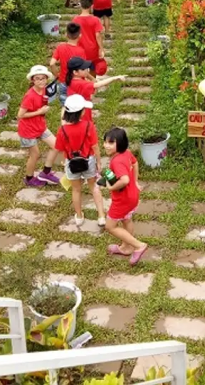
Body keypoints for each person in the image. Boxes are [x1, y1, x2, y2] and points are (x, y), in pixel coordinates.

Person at [56, 94, 106, 226]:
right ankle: (101, 216)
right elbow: (95, 146)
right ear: (82, 112)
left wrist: (64, 160)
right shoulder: (89, 126)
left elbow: (61, 148)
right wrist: (99, 162)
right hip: (88, 160)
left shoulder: (62, 130)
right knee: (93, 186)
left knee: (76, 189)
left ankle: (79, 216)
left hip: (71, 162)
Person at [102, 127, 149, 265]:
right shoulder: (127, 153)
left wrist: (111, 186)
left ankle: (139, 245)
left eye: (111, 143)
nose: (106, 145)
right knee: (126, 220)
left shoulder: (116, 161)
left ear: (120, 143)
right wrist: (136, 181)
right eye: (105, 142)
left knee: (110, 226)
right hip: (132, 196)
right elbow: (135, 163)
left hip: (122, 200)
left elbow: (124, 180)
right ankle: (126, 248)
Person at [17, 65, 61, 186]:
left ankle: (45, 172)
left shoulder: (43, 90)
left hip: (40, 126)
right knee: (35, 155)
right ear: (32, 80)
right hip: (28, 130)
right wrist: (39, 112)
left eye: (43, 78)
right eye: (37, 79)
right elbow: (20, 115)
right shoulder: (29, 96)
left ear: (47, 79)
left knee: (56, 145)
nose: (41, 81)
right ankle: (29, 179)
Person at [65, 56, 126, 122]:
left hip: (79, 109)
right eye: (83, 69)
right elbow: (98, 85)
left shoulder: (72, 79)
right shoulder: (80, 83)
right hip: (82, 111)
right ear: (75, 72)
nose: (87, 70)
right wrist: (115, 78)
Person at [50, 23, 86, 106]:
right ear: (79, 35)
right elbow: (84, 70)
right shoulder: (81, 51)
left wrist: (57, 76)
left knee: (65, 107)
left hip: (63, 81)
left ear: (66, 34)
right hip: (77, 83)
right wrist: (91, 79)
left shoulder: (60, 47)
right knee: (77, 107)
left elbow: (52, 64)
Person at [72, 0, 105, 64]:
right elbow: (98, 35)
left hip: (79, 49)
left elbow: (72, 35)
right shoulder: (95, 20)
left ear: (80, 5)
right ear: (91, 5)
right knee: (92, 69)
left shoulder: (75, 19)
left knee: (81, 69)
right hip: (92, 50)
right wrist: (101, 48)